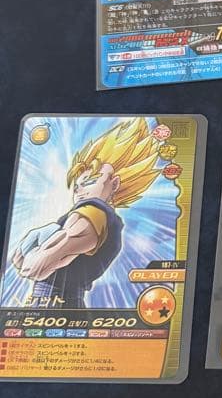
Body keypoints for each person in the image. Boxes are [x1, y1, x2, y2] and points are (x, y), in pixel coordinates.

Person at [12, 118, 161, 307]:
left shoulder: (94, 211)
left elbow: (33, 267)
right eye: (76, 186)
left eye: (90, 182)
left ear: (115, 184)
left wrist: (35, 243)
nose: (80, 191)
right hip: (62, 303)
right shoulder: (104, 220)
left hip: (54, 303)